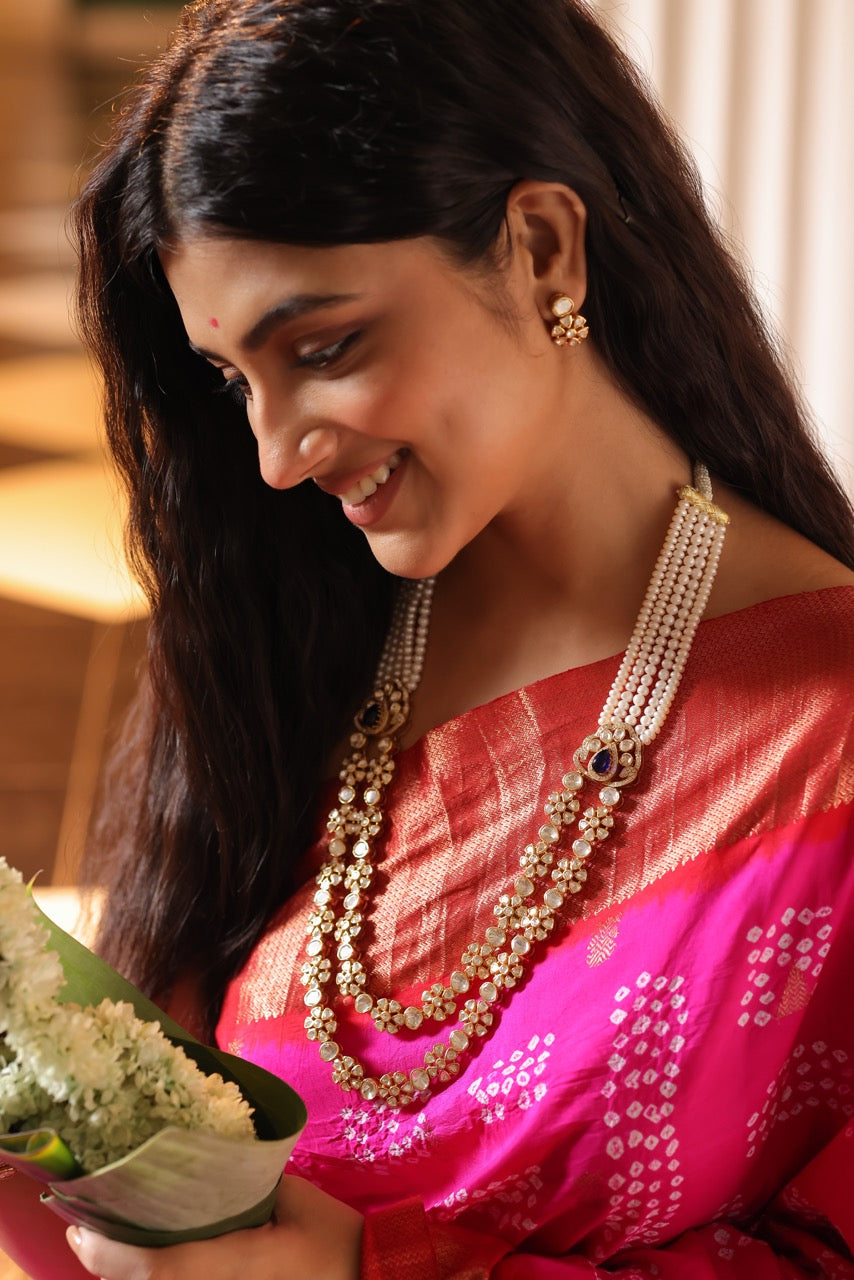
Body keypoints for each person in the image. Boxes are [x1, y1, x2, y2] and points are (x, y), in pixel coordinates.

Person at [4, 0, 854, 1276]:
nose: (277, 457)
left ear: (542, 247)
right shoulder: (292, 661)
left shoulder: (827, 735)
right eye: (237, 381)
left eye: (327, 346)